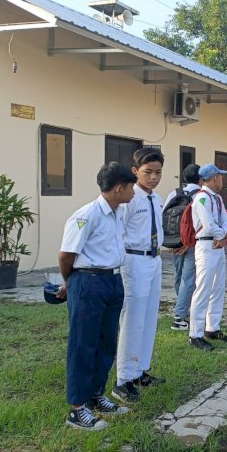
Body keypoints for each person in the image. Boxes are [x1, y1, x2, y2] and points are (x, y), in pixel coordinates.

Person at [57, 162, 136, 430]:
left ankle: (96, 395)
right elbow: (66, 255)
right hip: (88, 282)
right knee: (83, 344)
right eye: (131, 187)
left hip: (112, 280)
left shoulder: (117, 213)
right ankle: (77, 409)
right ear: (118, 188)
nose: (133, 192)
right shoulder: (87, 215)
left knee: (106, 342)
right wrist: (71, 282)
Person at [113, 148, 166, 404]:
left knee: (148, 318)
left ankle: (140, 369)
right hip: (133, 260)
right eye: (148, 172)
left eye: (158, 172)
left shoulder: (156, 198)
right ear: (135, 171)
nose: (154, 177)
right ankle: (123, 379)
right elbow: (118, 231)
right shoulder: (129, 199)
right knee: (133, 319)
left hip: (154, 259)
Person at [188, 164, 227, 351]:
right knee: (203, 289)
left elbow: (224, 220)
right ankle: (195, 333)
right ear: (214, 177)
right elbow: (207, 226)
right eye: (220, 177)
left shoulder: (217, 199)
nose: (222, 180)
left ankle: (212, 327)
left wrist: (223, 236)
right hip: (207, 245)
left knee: (218, 287)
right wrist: (225, 235)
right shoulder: (201, 198)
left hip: (218, 244)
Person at [163, 163, 201, 331]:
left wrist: (170, 240)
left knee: (179, 277)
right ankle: (179, 316)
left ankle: (182, 309)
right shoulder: (200, 195)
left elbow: (164, 215)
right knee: (189, 279)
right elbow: (199, 223)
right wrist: (188, 242)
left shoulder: (174, 193)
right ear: (201, 178)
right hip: (191, 243)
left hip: (174, 242)